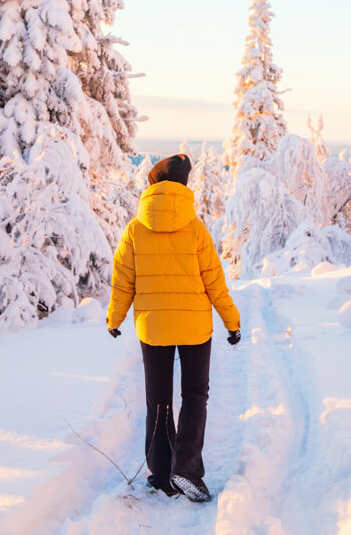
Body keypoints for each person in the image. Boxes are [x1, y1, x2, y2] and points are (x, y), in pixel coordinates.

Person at [106, 153, 242, 503]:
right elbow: (215, 281)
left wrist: (115, 319)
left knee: (159, 400)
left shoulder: (135, 228)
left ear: (152, 184)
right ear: (183, 187)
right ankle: (187, 469)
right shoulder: (195, 228)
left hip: (153, 328)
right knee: (195, 395)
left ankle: (163, 474)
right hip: (196, 325)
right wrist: (232, 322)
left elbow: (123, 281)